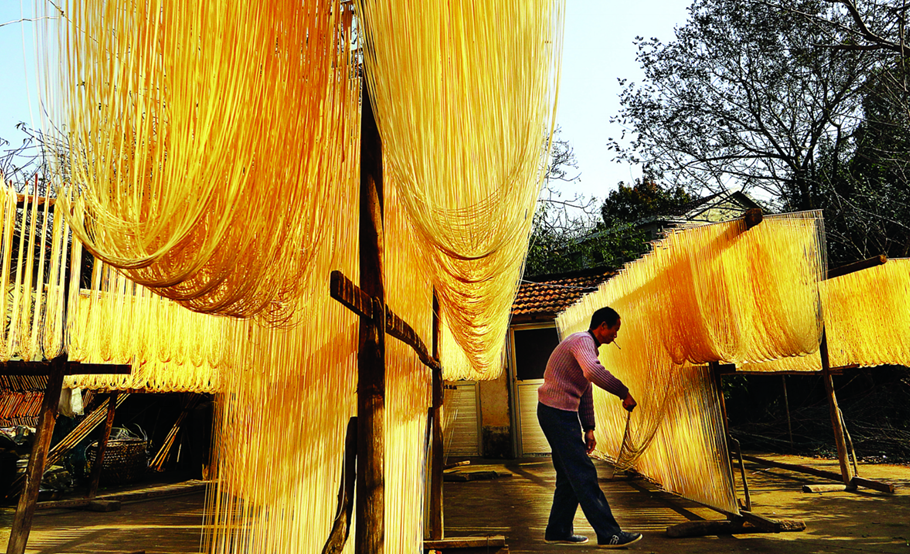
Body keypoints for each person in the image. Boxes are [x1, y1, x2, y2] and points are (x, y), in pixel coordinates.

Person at [537, 306, 643, 548]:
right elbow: (593, 372)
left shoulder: (586, 346)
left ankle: (558, 530)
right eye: (614, 330)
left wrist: (589, 428)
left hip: (558, 413)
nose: (615, 335)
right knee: (583, 473)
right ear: (602, 326)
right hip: (556, 413)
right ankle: (609, 534)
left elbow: (585, 388)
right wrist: (623, 392)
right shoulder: (583, 341)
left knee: (569, 474)